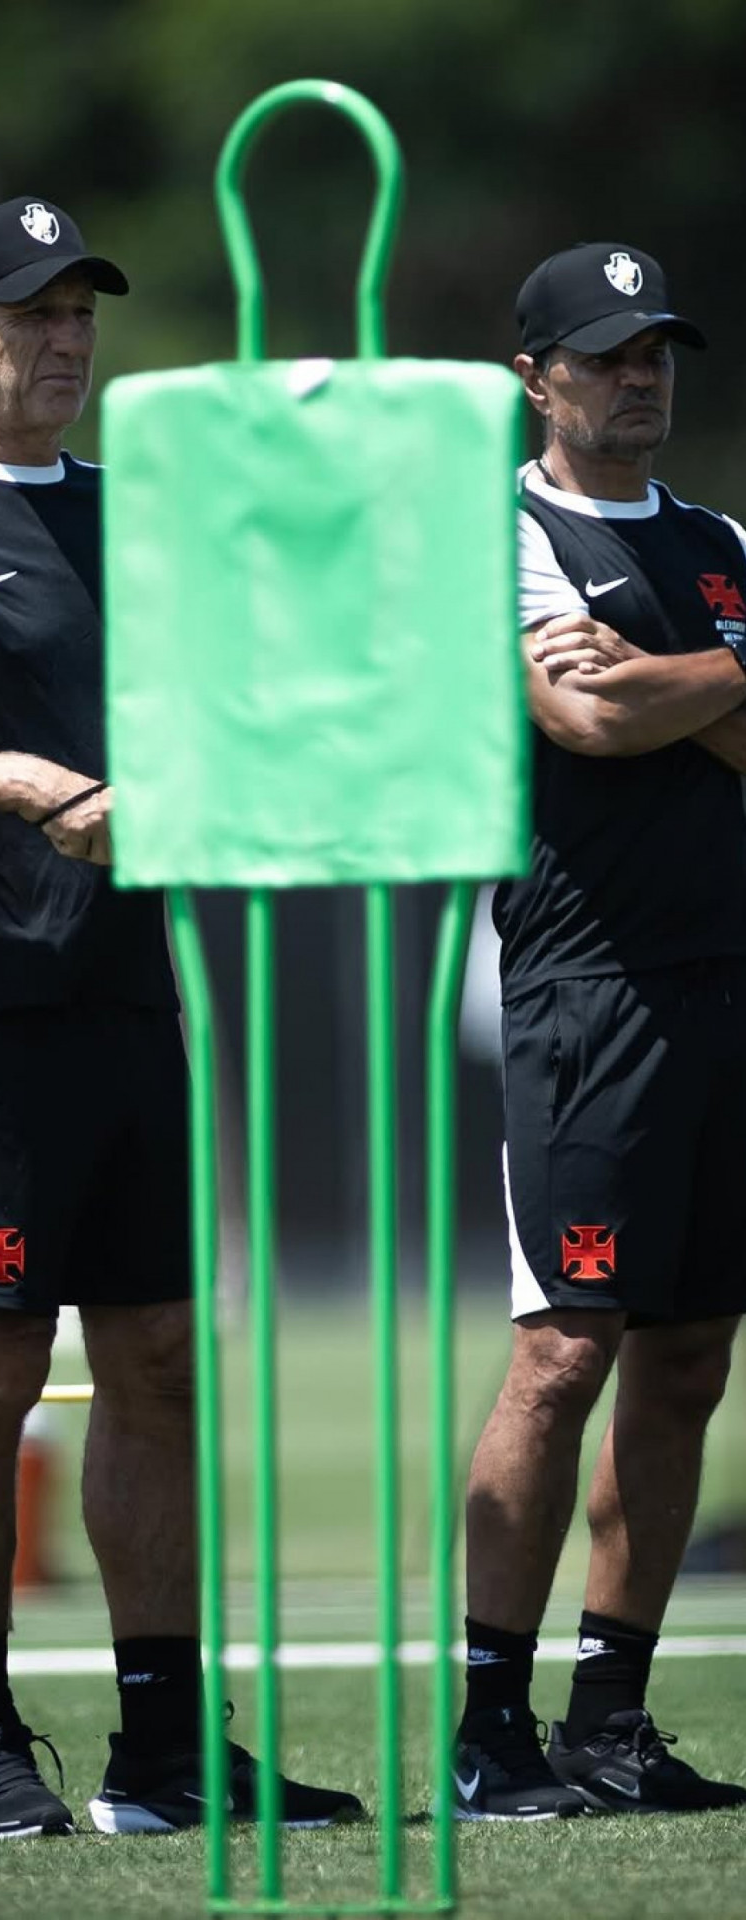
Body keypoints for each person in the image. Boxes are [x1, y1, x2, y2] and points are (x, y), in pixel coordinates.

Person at [0, 194, 359, 1838]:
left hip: (123, 999)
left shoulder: (124, 514)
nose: (65, 341)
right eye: (28, 314)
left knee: (160, 1364)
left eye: (81, 312)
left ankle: (166, 1760)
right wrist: (11, 785)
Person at [455, 241, 746, 1819]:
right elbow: (579, 716)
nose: (639, 374)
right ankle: (490, 1727)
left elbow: (652, 706)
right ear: (535, 375)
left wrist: (670, 680)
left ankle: (607, 1721)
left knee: (689, 1357)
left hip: (725, 981)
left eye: (657, 350)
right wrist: (705, 688)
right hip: (583, 993)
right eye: (606, 352)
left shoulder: (716, 543)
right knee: (565, 1349)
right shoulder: (496, 531)